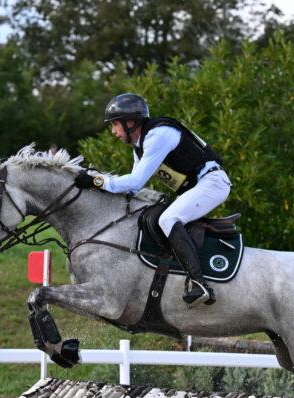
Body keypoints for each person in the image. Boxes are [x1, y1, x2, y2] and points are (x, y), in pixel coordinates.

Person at [74, 93, 230, 305]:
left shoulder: (159, 135)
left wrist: (98, 181)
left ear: (130, 122)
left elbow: (134, 182)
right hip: (199, 185)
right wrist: (98, 180)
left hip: (212, 183)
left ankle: (199, 284)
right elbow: (130, 188)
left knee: (168, 219)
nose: (113, 132)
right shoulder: (140, 146)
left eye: (115, 125)